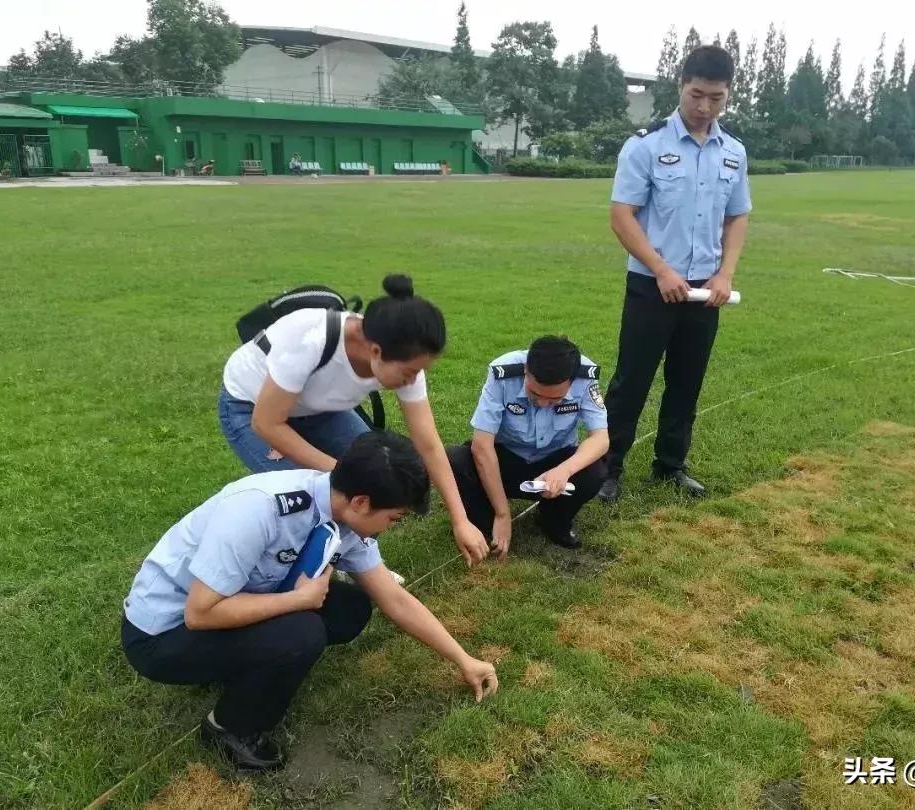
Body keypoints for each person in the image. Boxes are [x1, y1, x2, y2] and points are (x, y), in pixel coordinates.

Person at [121, 431, 498, 772]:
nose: (392, 527)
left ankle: (246, 664)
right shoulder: (260, 509)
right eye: (394, 518)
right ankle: (230, 728)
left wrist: (463, 659)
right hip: (161, 635)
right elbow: (200, 613)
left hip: (228, 604)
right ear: (363, 502)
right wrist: (298, 601)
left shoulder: (343, 512)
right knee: (302, 632)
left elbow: (393, 598)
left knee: (350, 609)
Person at [219, 275, 489, 566]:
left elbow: (428, 443)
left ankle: (362, 562)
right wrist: (345, 472)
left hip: (319, 408)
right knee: (316, 495)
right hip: (251, 409)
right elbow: (267, 424)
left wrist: (460, 520)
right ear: (375, 351)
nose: (413, 379)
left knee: (373, 474)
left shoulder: (403, 358)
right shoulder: (310, 338)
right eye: (409, 372)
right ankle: (308, 568)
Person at [598, 45, 751, 504]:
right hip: (652, 286)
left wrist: (725, 274)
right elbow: (622, 215)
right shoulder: (647, 144)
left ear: (727, 96)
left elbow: (737, 216)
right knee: (632, 381)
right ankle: (608, 470)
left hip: (706, 291)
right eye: (697, 95)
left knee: (687, 381)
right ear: (681, 85)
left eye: (716, 98)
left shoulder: (733, 152)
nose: (705, 107)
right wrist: (661, 270)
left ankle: (670, 464)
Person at [446, 336, 608, 553]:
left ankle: (554, 520)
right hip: (507, 459)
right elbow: (482, 446)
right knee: (456, 460)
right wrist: (503, 513)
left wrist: (564, 470)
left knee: (594, 470)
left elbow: (600, 438)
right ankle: (488, 519)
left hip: (554, 461)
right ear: (525, 371)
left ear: (571, 381)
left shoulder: (585, 376)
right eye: (534, 393)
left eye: (554, 400)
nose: (542, 403)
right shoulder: (502, 373)